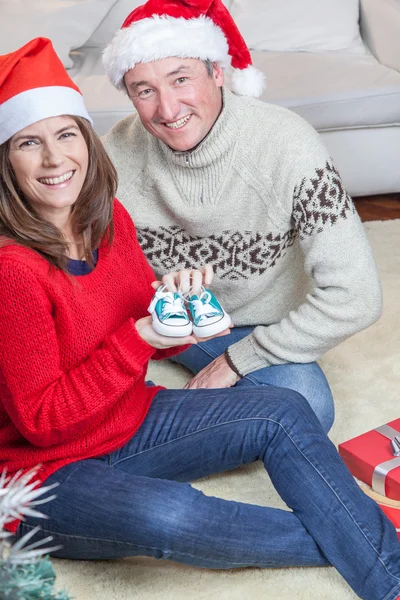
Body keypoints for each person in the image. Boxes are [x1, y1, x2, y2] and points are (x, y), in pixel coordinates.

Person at [1, 37, 400, 600]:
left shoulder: (106, 217)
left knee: (285, 409)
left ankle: (383, 564)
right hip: (37, 475)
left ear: (86, 141)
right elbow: (42, 421)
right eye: (27, 143)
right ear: (5, 161)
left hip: (123, 421)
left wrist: (177, 304)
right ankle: (377, 545)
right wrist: (138, 337)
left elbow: (149, 328)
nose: (54, 159)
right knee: (173, 516)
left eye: (66, 135)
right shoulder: (12, 270)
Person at [101, 0, 382, 434]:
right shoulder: (113, 154)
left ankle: (159, 418)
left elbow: (356, 296)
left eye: (181, 80)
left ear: (217, 71)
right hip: (153, 318)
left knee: (306, 407)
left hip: (250, 326)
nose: (168, 109)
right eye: (144, 90)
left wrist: (238, 361)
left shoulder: (287, 145)